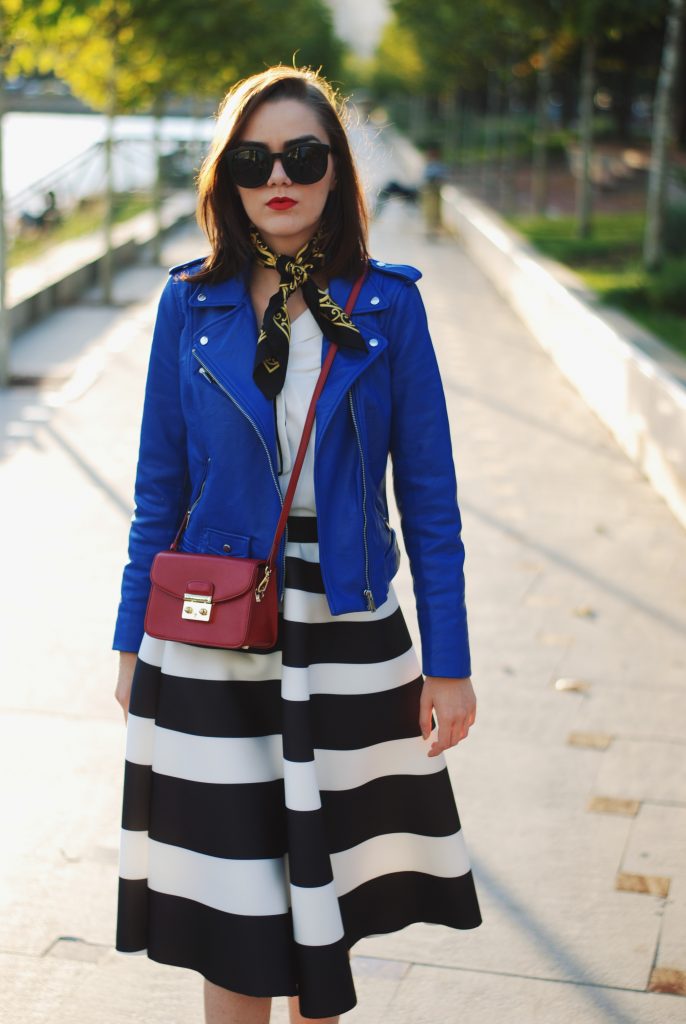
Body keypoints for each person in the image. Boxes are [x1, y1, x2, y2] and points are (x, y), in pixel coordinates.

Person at [112, 65, 482, 1024]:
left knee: (332, 905)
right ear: (226, 176)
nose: (279, 175)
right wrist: (128, 642)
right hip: (212, 632)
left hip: (350, 629)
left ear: (336, 171)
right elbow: (160, 490)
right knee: (231, 905)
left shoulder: (389, 307)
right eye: (253, 157)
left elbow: (431, 502)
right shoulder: (188, 304)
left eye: (303, 155)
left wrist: (449, 663)